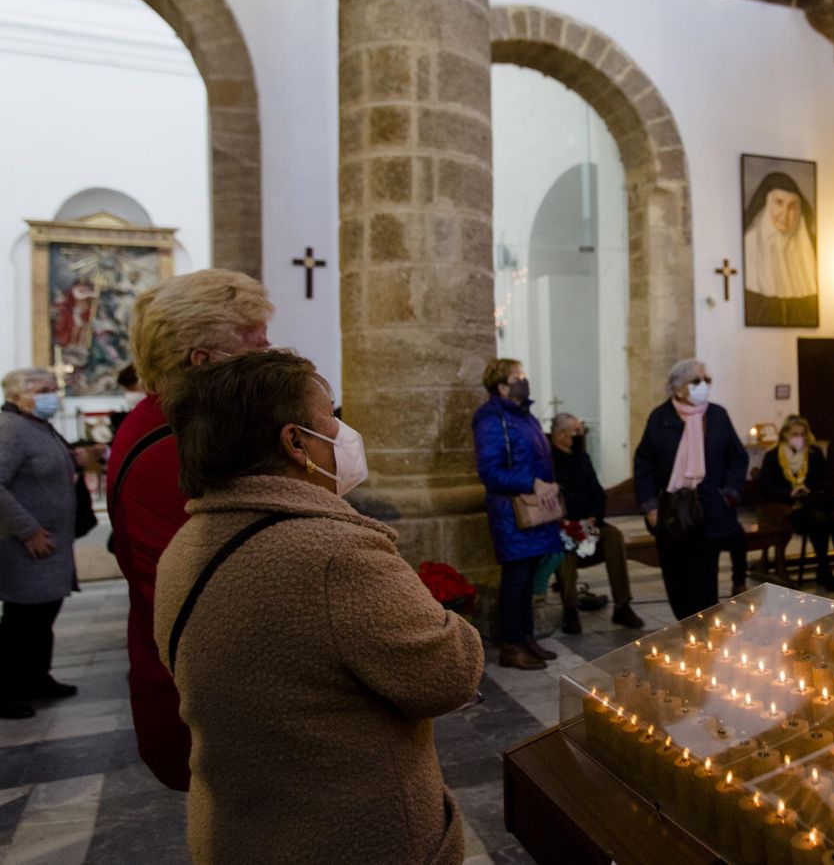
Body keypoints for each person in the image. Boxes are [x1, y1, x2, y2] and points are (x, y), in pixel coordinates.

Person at [154, 350, 482, 864]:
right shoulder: (332, 553)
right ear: (296, 442)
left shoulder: (188, 541)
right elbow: (448, 675)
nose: (345, 432)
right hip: (345, 834)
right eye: (333, 415)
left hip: (240, 827)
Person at [106, 269, 273, 791]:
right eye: (257, 348)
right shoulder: (173, 449)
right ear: (203, 363)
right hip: (211, 703)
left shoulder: (178, 424)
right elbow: (214, 594)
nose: (270, 359)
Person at [633, 360, 749, 619]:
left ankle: (703, 633)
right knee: (677, 575)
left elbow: (737, 458)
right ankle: (684, 628)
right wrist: (649, 505)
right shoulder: (660, 418)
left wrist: (729, 494)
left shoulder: (717, 416)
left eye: (706, 380)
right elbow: (644, 464)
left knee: (705, 578)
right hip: (673, 510)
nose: (704, 385)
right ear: (678, 389)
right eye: (696, 381)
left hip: (710, 507)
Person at [472, 359, 562, 670]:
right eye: (517, 377)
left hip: (535, 509)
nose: (524, 381)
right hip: (512, 511)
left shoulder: (525, 416)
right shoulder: (491, 419)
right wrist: (531, 483)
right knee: (515, 577)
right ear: (501, 386)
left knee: (527, 577)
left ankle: (525, 637)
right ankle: (511, 645)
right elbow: (490, 471)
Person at [0, 369, 80, 719]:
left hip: (50, 543)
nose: (52, 396)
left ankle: (36, 678)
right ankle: (5, 690)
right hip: (26, 544)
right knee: (22, 620)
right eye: (42, 390)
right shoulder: (10, 428)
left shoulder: (36, 425)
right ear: (18, 394)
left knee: (43, 613)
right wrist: (28, 530)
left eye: (53, 389)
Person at [549, 413, 643, 633]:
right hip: (563, 526)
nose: (581, 435)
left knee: (613, 536)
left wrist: (592, 517)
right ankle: (570, 608)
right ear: (561, 435)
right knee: (564, 545)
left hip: (590, 523)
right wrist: (571, 523)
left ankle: (622, 605)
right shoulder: (548, 461)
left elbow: (597, 494)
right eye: (576, 431)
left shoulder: (582, 458)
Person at [758, 415, 834, 592]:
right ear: (785, 434)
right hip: (793, 508)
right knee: (818, 519)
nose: (798, 437)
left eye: (802, 434)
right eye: (794, 433)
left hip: (815, 500)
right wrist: (790, 492)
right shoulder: (773, 456)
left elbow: (827, 479)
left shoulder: (814, 453)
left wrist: (810, 488)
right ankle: (823, 568)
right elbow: (766, 486)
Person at [742, 171, 819, 327]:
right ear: (766, 204)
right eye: (778, 202)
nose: (785, 214)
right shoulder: (749, 246)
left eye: (792, 206)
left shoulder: (807, 252)